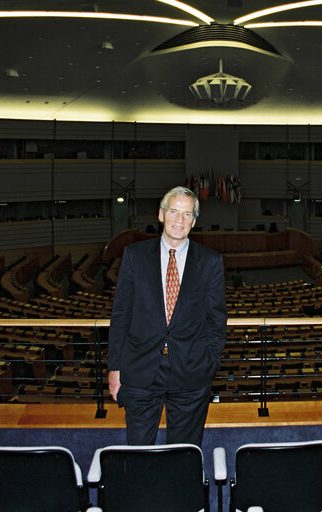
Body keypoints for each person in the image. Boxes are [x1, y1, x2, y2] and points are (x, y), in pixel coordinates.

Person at [108, 186, 227, 446]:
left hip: (191, 373)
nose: (179, 220)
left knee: (184, 453)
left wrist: (210, 363)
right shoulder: (134, 256)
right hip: (140, 370)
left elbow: (216, 319)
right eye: (174, 211)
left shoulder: (210, 261)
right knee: (138, 451)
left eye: (187, 214)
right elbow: (120, 315)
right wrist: (115, 369)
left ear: (194, 221)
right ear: (161, 214)